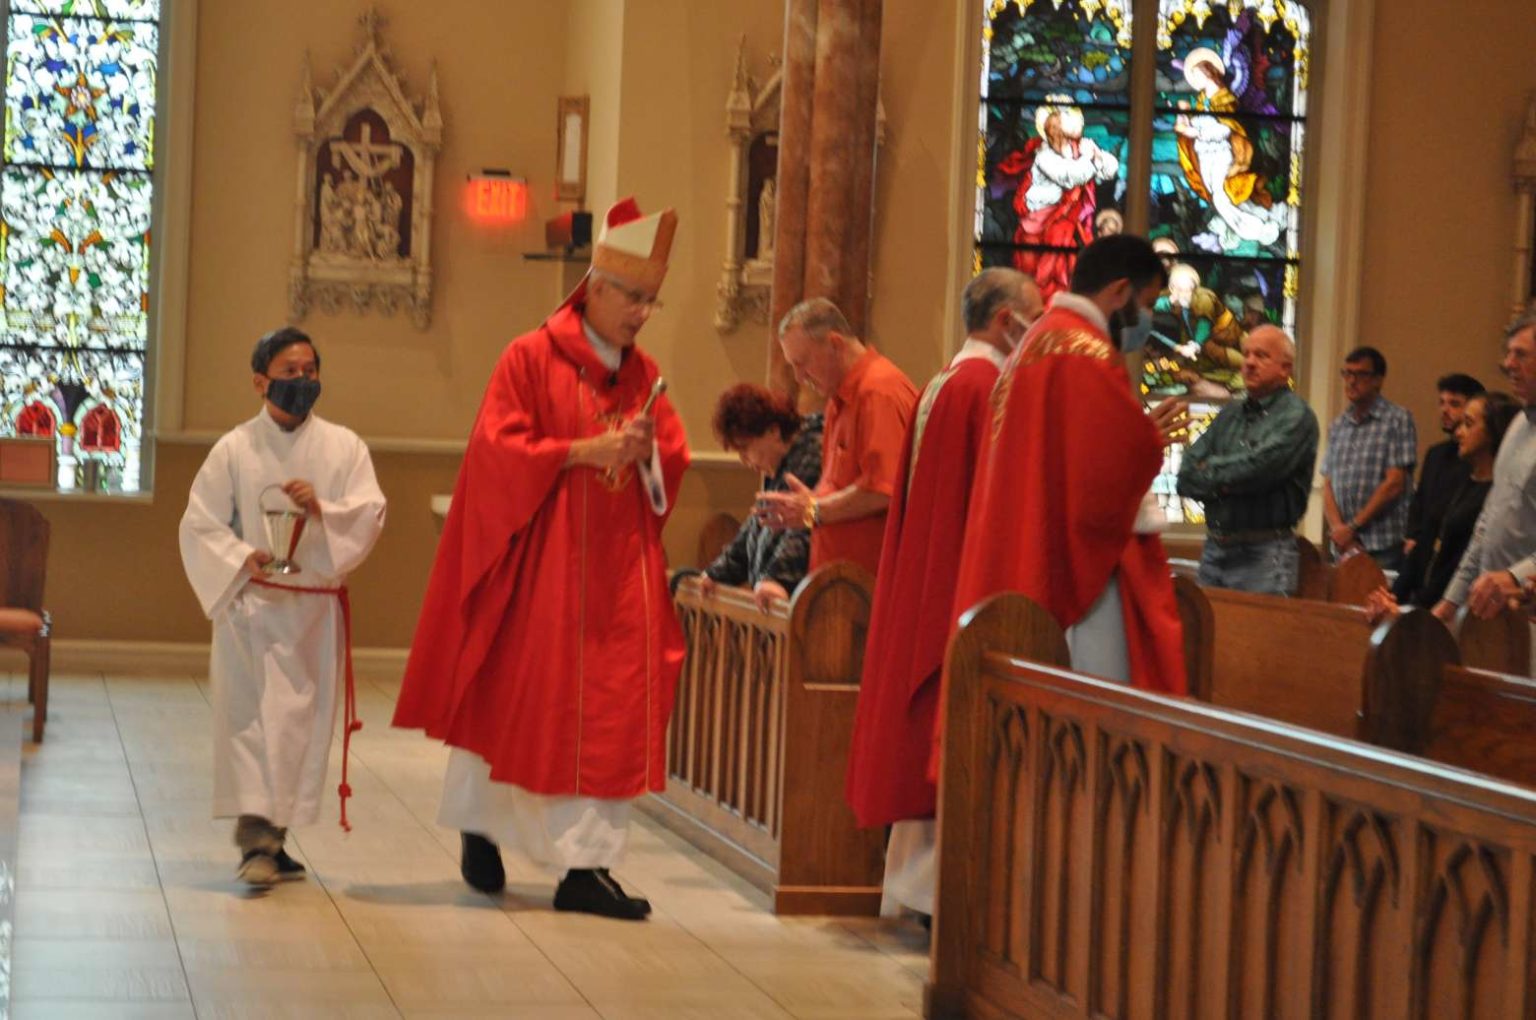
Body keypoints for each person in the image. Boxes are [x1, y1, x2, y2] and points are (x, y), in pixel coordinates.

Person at [392, 198, 690, 921]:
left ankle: (585, 869)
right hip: (543, 570)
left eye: (652, 301)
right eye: (633, 298)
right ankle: (481, 827)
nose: (643, 314)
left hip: (618, 578)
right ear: (593, 287)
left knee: (607, 712)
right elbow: (495, 454)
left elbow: (670, 457)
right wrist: (579, 453)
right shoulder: (530, 357)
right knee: (522, 702)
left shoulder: (642, 373)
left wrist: (649, 454)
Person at [845, 268, 1043, 921]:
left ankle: (916, 891)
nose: (1039, 330)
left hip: (926, 584)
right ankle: (940, 899)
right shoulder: (990, 388)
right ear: (1003, 320)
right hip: (961, 585)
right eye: (1033, 315)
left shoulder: (942, 382)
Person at [178, 327, 387, 888]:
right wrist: (243, 555)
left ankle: (277, 839)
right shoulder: (235, 448)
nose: (303, 381)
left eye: (311, 370)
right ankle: (257, 843)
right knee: (253, 727)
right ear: (259, 380)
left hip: (312, 614)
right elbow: (198, 523)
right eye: (290, 372)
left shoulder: (345, 447)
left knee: (296, 730)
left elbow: (369, 512)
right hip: (253, 610)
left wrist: (323, 508)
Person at [950, 235, 1187, 691]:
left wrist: (1135, 437)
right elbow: (1100, 477)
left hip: (1026, 547)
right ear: (1119, 292)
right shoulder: (1086, 352)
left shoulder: (1038, 339)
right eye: (1148, 303)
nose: (1148, 319)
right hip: (1077, 579)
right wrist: (1145, 443)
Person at [756, 299, 918, 577]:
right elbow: (842, 485)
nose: (799, 377)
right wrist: (811, 502)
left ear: (834, 343)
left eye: (802, 362)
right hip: (841, 581)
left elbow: (884, 490)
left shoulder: (877, 393)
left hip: (869, 581)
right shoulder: (838, 399)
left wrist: (814, 509)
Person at [1176, 326, 1318, 595]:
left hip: (1264, 553)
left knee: (1258, 635)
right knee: (1209, 634)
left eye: (1261, 356)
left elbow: (1260, 470)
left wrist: (1213, 472)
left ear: (1285, 369)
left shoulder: (1296, 417)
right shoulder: (1230, 413)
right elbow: (1186, 476)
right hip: (1215, 548)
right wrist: (1229, 480)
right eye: (1247, 354)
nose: (1249, 363)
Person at [1366, 391, 1519, 621]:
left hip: (1451, 614)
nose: (1458, 433)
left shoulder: (1495, 496)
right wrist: (1393, 596)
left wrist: (1415, 610)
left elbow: (1460, 563)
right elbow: (1425, 543)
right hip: (1422, 604)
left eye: (1468, 424)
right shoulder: (1457, 479)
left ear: (1492, 433)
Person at [1436, 317, 1536, 623]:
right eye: (1508, 354)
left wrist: (1515, 576)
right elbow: (1486, 524)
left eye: (1520, 354)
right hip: (1490, 613)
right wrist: (1449, 602)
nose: (1507, 364)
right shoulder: (1519, 425)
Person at [699, 383, 823, 610]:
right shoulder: (777, 467)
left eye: (745, 448)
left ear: (774, 432)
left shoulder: (810, 455)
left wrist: (776, 579)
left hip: (806, 605)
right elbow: (755, 526)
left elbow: (803, 528)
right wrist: (716, 574)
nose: (744, 460)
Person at [996, 97, 1120, 299]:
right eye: (1060, 127)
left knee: (1065, 263)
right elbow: (1069, 177)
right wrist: (1090, 160)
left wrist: (1098, 157)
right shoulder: (1044, 156)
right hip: (1038, 225)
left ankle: (1062, 299)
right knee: (1035, 272)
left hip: (1065, 223)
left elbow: (1110, 168)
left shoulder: (1081, 147)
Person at [1320, 346, 1418, 570]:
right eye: (1347, 373)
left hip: (1382, 545)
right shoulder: (1338, 426)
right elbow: (1328, 485)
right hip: (1343, 545)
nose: (1351, 381)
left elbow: (1394, 484)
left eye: (1360, 374)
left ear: (1378, 380)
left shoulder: (1397, 419)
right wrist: (1338, 530)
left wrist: (1352, 527)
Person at [1395, 373, 1486, 601]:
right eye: (1441, 402)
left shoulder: (1476, 463)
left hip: (1453, 563)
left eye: (1454, 404)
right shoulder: (1436, 454)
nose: (1445, 410)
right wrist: (1412, 536)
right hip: (1422, 551)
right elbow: (1420, 500)